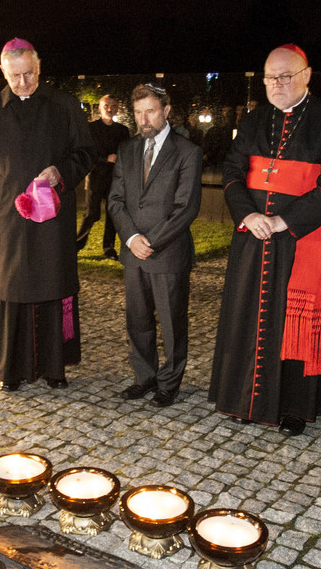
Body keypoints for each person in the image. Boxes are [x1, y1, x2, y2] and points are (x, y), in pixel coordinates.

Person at [208, 44, 321, 437]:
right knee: (249, 316)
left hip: (303, 237)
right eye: (271, 77)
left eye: (286, 76)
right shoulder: (254, 119)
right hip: (254, 235)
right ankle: (246, 399)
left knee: (293, 321)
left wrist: (283, 220)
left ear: (307, 75)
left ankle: (294, 406)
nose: (277, 84)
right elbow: (234, 170)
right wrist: (249, 214)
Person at [0, 38, 97, 391]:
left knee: (54, 287)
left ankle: (56, 368)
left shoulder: (65, 105)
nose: (23, 82)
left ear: (39, 68)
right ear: (3, 72)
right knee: (14, 291)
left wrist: (61, 172)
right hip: (9, 221)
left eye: (29, 74)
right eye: (15, 76)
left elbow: (86, 153)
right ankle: (12, 370)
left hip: (54, 218)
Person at [107, 84, 202, 408]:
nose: (144, 118)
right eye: (138, 113)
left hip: (168, 253)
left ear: (166, 111)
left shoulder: (187, 152)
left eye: (150, 111)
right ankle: (144, 377)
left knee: (173, 323)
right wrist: (132, 239)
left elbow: (186, 207)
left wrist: (153, 242)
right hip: (134, 253)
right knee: (137, 320)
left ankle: (169, 383)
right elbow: (116, 200)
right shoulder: (127, 149)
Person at [77, 95, 131, 258]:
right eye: (106, 105)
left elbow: (127, 153)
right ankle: (77, 244)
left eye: (113, 105)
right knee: (91, 213)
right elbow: (86, 153)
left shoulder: (123, 130)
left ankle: (108, 248)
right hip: (96, 177)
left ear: (117, 109)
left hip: (115, 179)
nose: (110, 108)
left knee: (113, 214)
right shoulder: (91, 128)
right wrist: (105, 159)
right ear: (99, 108)